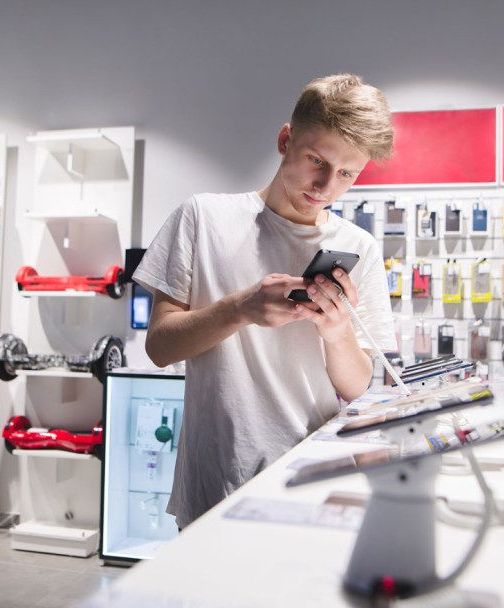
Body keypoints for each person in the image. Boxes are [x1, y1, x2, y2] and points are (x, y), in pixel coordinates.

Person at [133, 74, 397, 529]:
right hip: (216, 482)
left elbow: (360, 388)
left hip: (317, 479)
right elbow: (159, 347)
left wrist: (336, 332)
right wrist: (240, 309)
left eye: (347, 173)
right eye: (317, 160)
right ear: (285, 139)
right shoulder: (203, 217)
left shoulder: (360, 248)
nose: (326, 184)